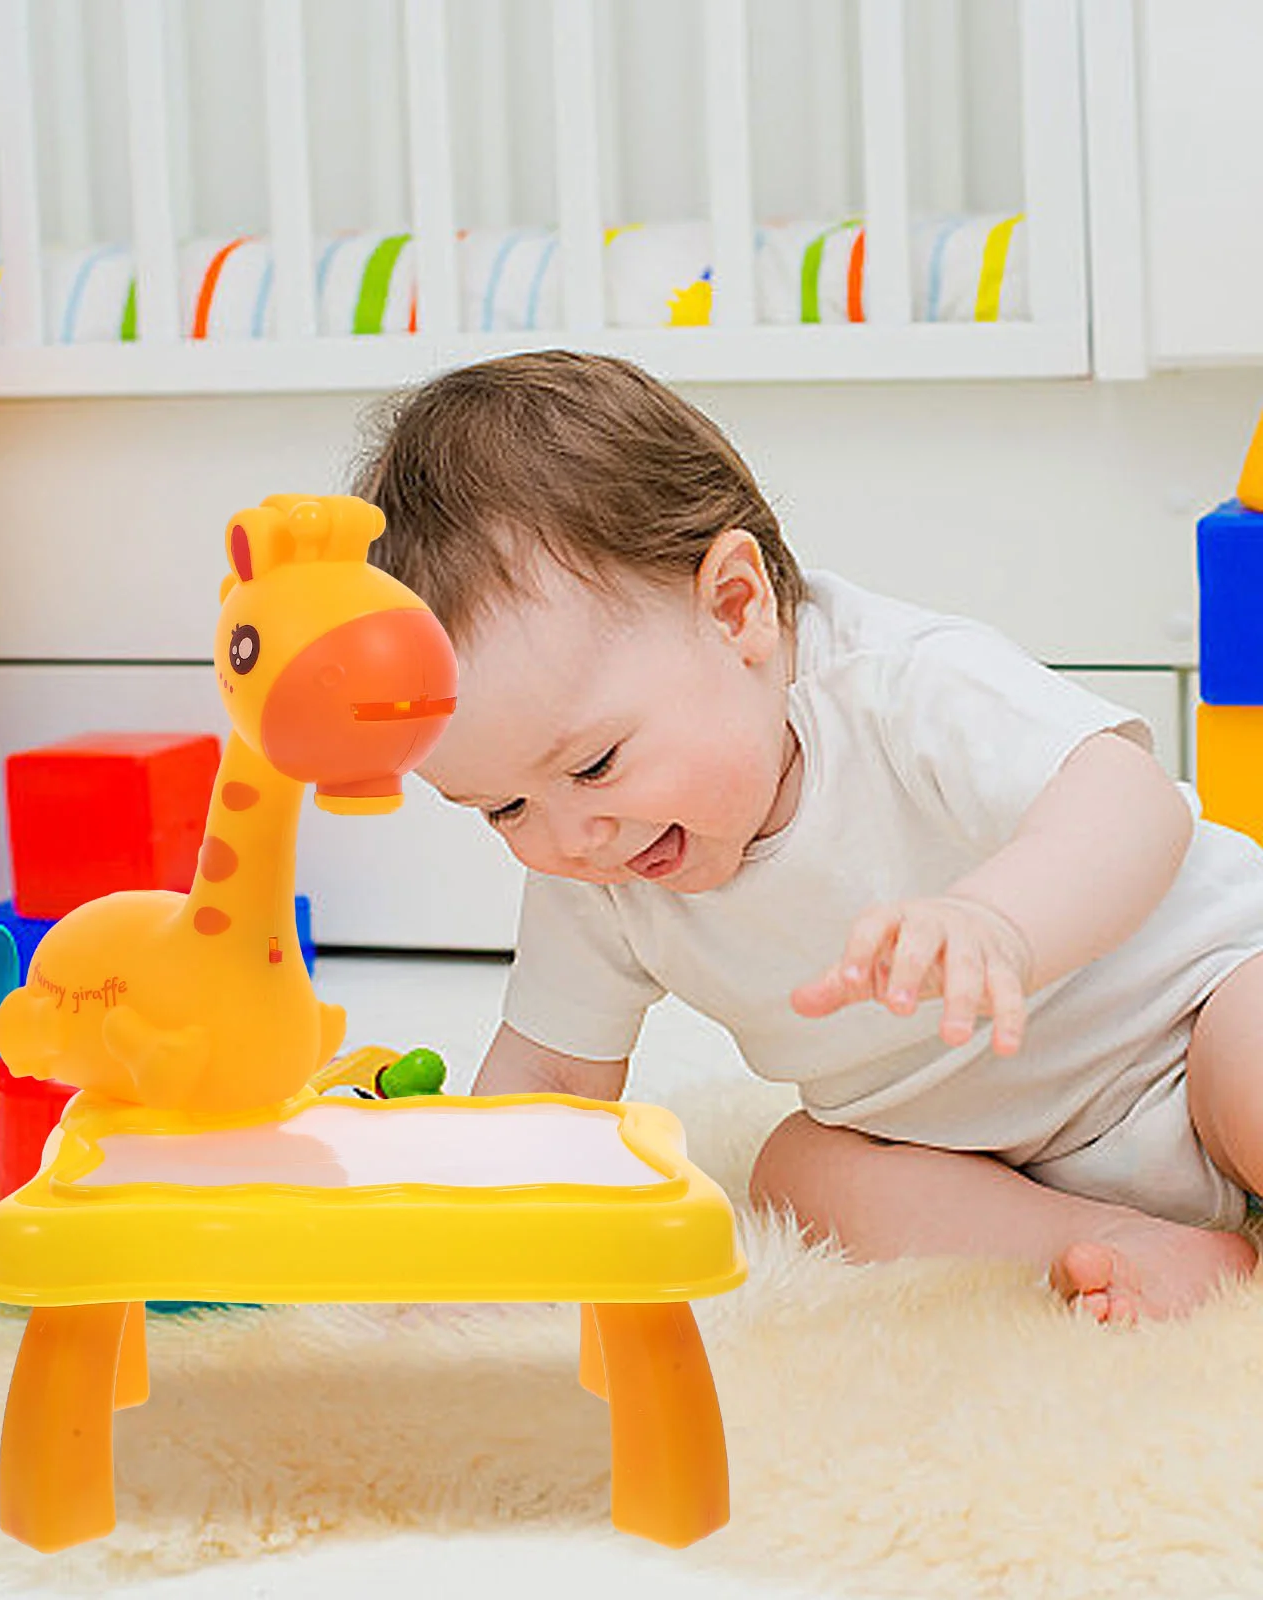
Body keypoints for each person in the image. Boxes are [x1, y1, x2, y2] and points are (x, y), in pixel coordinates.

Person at [353, 350, 1263, 1325]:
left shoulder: (897, 689)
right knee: (801, 1170)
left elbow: (1130, 800)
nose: (571, 836)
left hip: (1189, 1018)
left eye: (592, 765)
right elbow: (551, 1074)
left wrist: (996, 920)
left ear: (735, 609)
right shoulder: (598, 861)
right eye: (502, 809)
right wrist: (466, 1227)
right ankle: (1122, 1243)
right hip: (988, 1142)